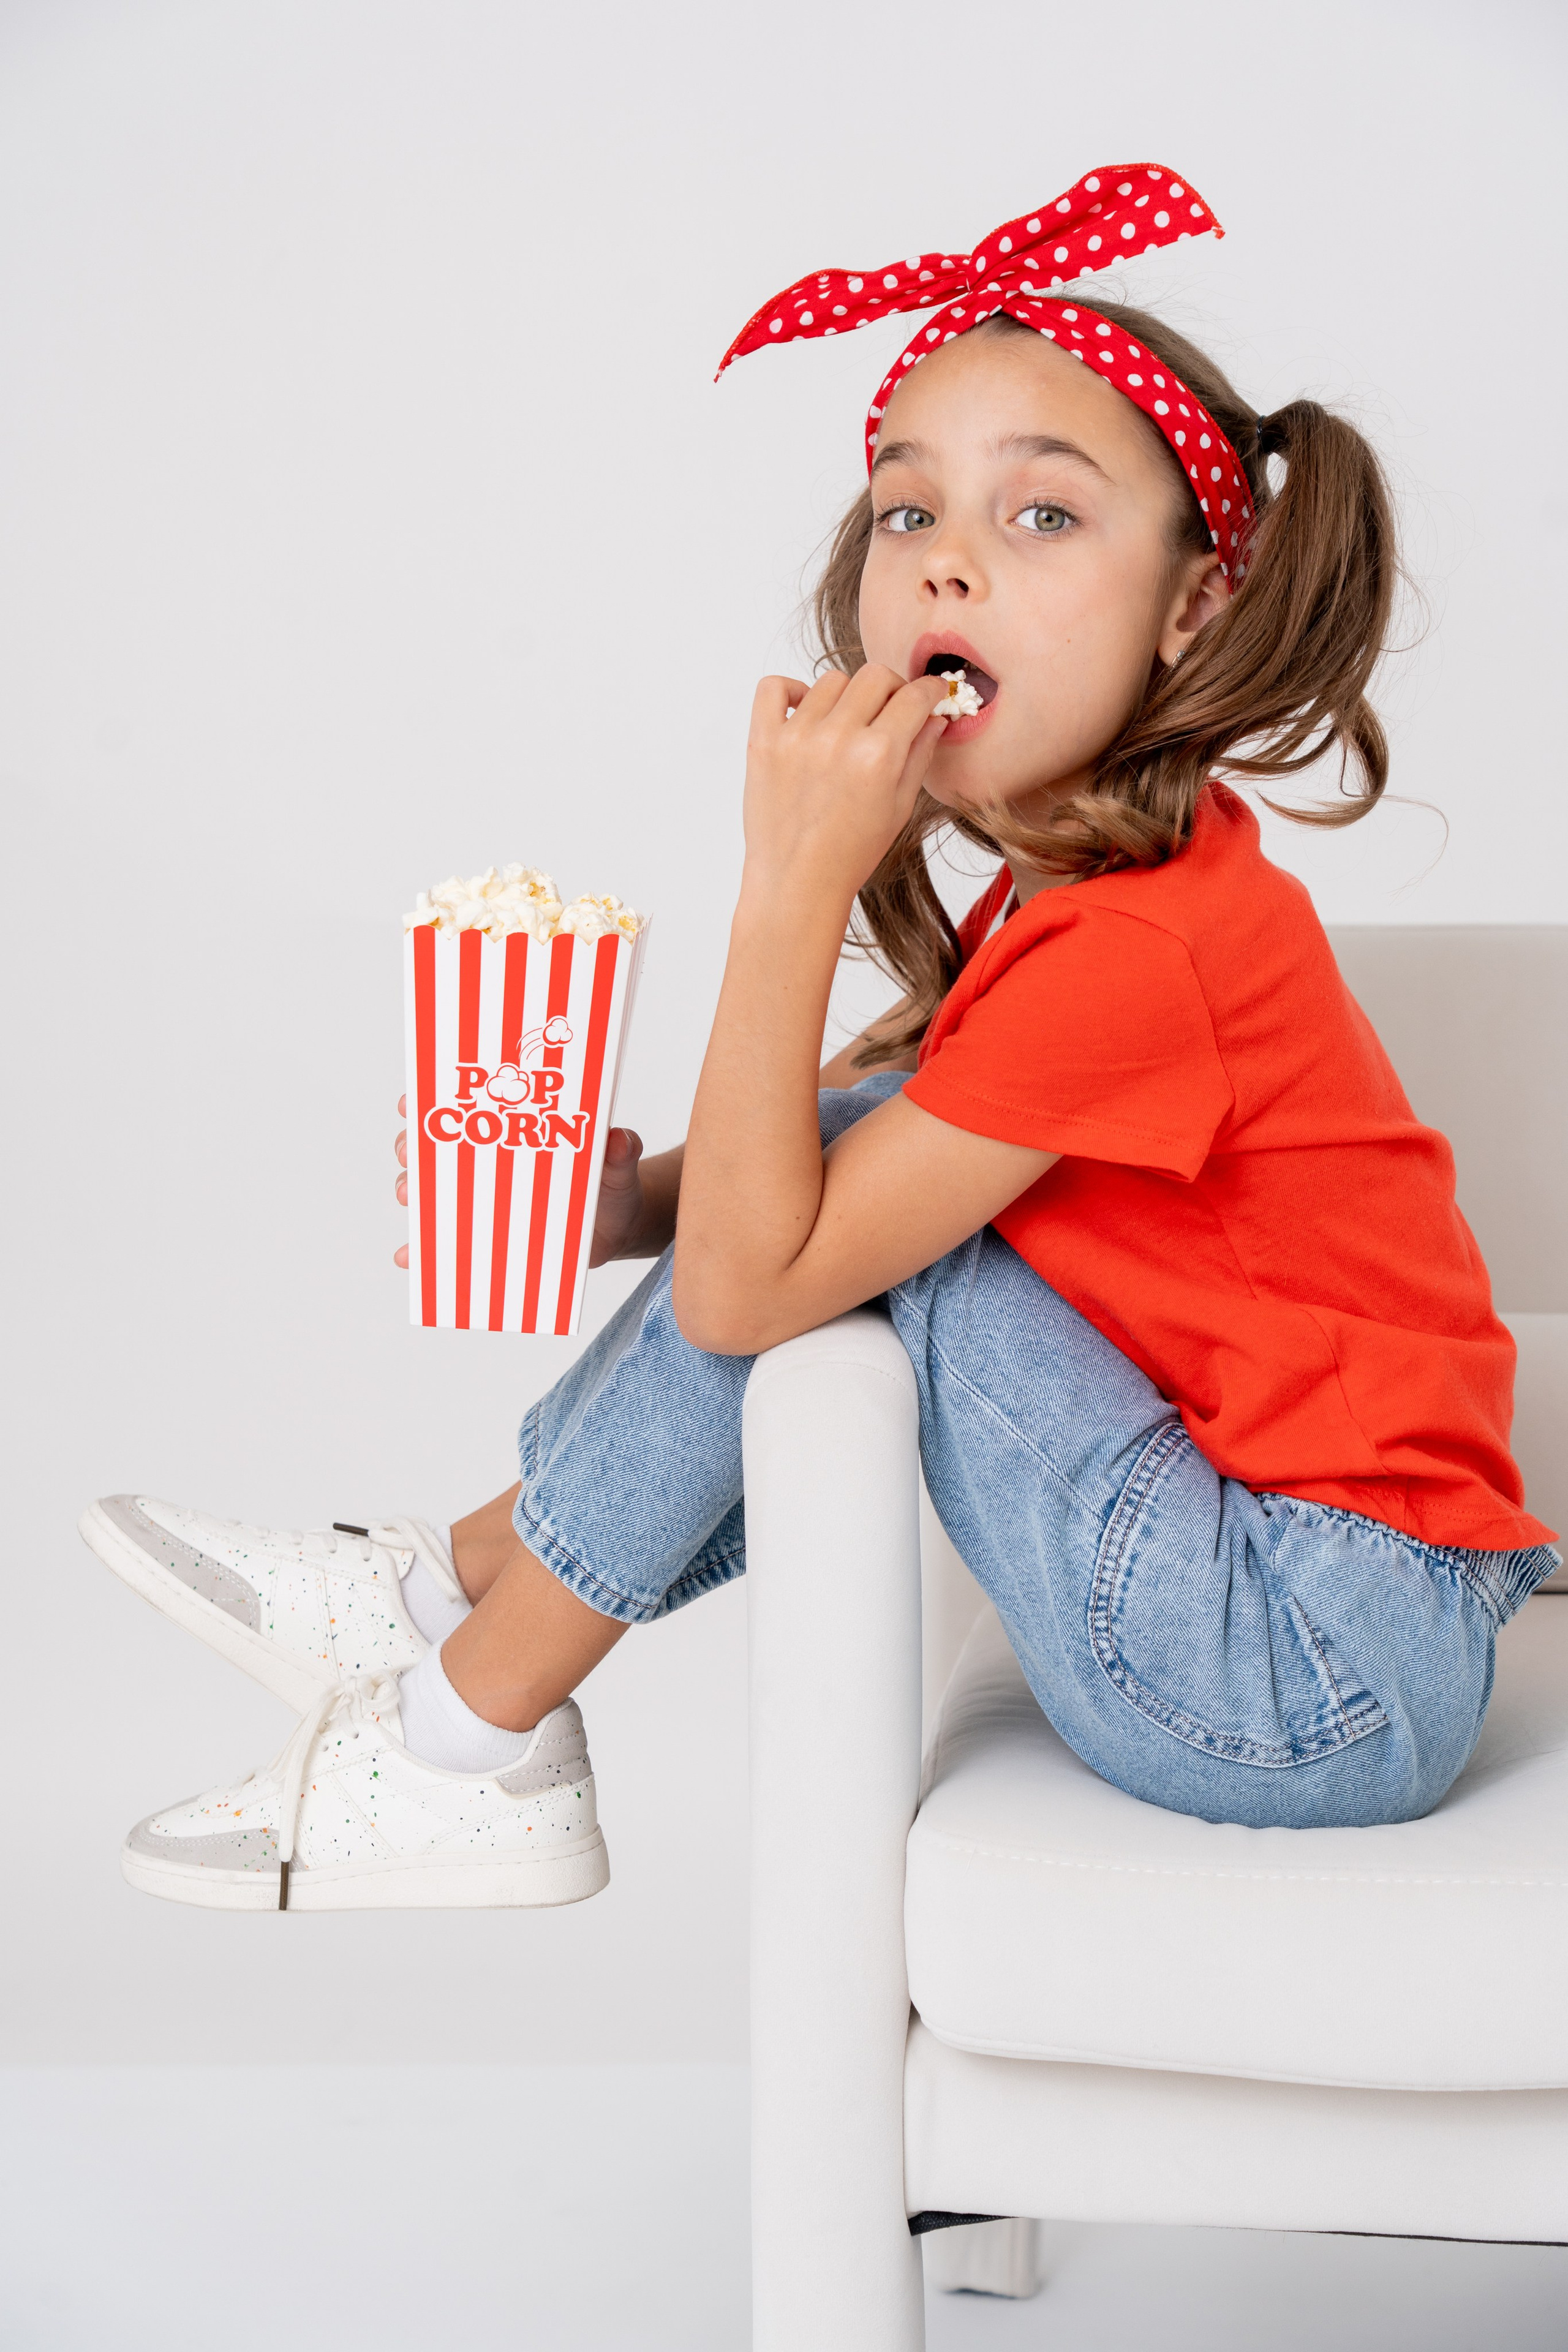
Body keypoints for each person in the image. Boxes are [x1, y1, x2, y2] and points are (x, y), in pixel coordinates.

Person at [82, 164, 1559, 1913]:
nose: (947, 557)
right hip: (1313, 1623)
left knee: (857, 1254)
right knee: (864, 1165)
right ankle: (442, 1602)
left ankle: (466, 1727)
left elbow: (751, 1289)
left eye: (1044, 516)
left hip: (1310, 1666)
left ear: (1196, 610)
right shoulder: (1095, 903)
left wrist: (789, 883)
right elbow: (867, 1138)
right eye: (906, 509)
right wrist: (627, 1200)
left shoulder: (1144, 950)